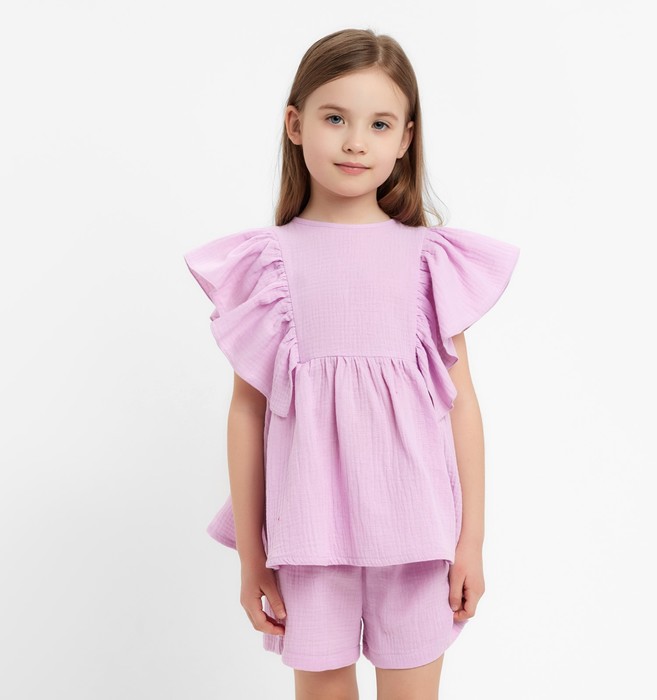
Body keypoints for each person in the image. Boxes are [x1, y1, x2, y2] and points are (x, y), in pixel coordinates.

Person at [184, 27, 520, 700]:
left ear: (405, 139)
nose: (355, 141)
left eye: (379, 124)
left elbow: (462, 407)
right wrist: (252, 554)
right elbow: (247, 413)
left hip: (419, 531)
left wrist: (471, 542)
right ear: (295, 125)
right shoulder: (267, 264)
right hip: (308, 533)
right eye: (335, 118)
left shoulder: (430, 260)